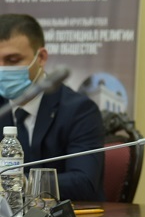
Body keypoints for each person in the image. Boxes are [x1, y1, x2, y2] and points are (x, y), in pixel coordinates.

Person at [0, 14, 104, 202]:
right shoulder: (2, 109)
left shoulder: (79, 110)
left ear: (41, 57)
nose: (2, 69)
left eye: (13, 60)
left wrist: (18, 183)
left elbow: (84, 182)